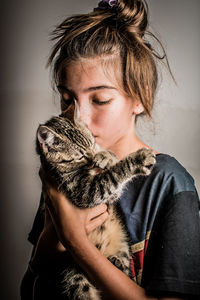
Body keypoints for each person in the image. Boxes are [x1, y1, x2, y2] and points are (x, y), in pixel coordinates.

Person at [20, 0, 200, 299]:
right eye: (67, 100)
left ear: (139, 98)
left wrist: (74, 239)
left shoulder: (169, 183)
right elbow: (29, 290)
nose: (81, 118)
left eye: (100, 99)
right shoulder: (65, 171)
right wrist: (48, 244)